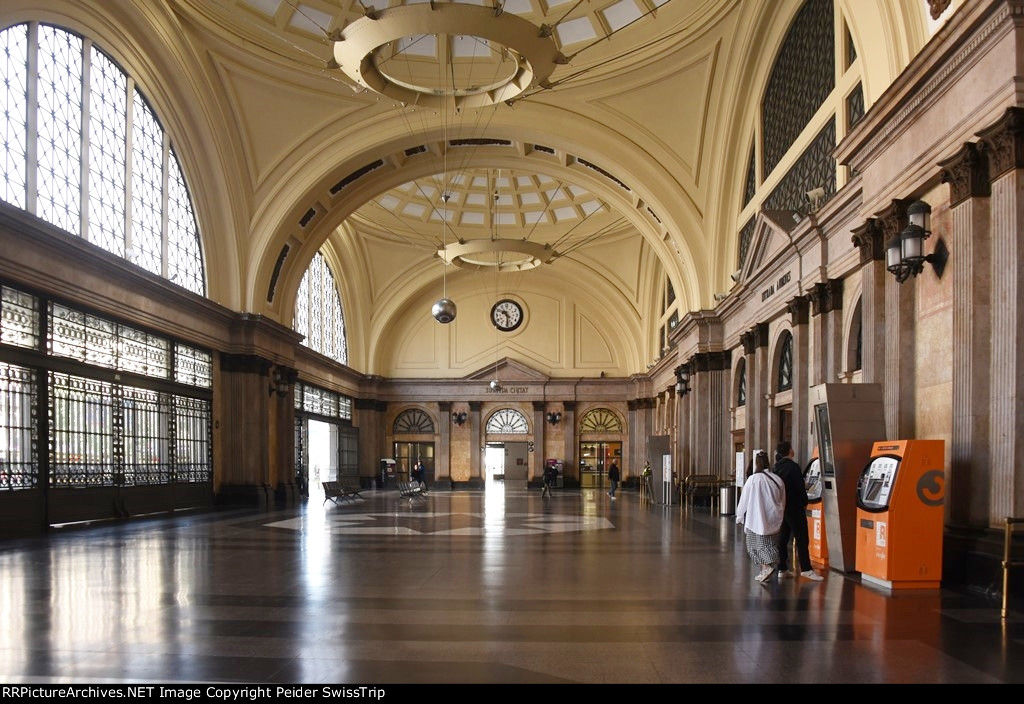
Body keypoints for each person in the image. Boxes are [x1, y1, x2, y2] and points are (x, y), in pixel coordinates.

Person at [772, 440, 823, 581]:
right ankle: (806, 568)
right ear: (789, 451)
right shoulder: (793, 467)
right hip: (795, 507)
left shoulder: (776, 467)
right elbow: (799, 487)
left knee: (783, 538)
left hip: (783, 507)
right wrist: (804, 502)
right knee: (801, 537)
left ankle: (782, 568)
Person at [735, 451, 786, 583]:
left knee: (754, 546)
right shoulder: (777, 479)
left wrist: (739, 515)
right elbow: (782, 499)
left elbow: (744, 499)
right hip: (774, 519)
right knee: (769, 543)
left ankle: (767, 567)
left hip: (756, 520)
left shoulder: (753, 479)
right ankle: (765, 570)